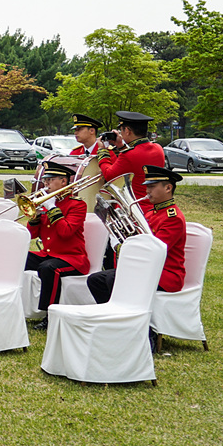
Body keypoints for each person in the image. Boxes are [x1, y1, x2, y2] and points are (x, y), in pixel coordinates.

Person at [87, 165, 186, 304]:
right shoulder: (151, 213)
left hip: (165, 274)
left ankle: (132, 320)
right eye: (147, 186)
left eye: (152, 186)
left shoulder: (172, 217)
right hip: (146, 268)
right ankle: (111, 317)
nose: (147, 190)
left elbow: (154, 252)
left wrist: (120, 247)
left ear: (168, 188)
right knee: (96, 280)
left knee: (113, 280)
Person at [24, 161, 89, 330]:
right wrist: (35, 217)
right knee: (17, 258)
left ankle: (49, 315)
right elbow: (31, 236)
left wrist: (52, 207)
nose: (45, 184)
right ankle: (16, 306)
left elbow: (65, 232)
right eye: (45, 180)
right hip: (48, 254)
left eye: (50, 180)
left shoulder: (77, 204)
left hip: (72, 258)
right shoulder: (47, 202)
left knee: (49, 268)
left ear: (63, 181)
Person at [99, 111, 166, 199]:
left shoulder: (128, 155)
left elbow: (109, 175)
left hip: (136, 205)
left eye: (121, 130)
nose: (121, 133)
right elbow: (134, 161)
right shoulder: (158, 148)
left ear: (127, 131)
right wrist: (121, 146)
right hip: (154, 203)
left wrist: (103, 151)